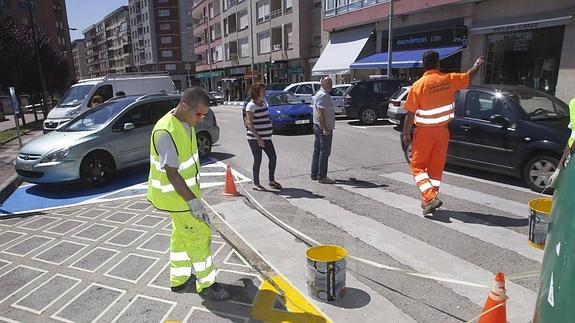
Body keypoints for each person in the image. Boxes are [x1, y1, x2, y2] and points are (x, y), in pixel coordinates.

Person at [147, 87, 230, 301]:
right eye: (199, 114)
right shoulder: (166, 132)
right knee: (199, 237)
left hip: (182, 197)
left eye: (204, 115)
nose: (201, 119)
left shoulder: (185, 122)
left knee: (181, 237)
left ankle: (180, 280)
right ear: (184, 106)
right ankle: (207, 284)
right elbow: (173, 174)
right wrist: (193, 203)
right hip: (179, 199)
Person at [403, 51, 485, 215]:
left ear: (423, 65)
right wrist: (477, 64)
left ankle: (430, 197)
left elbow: (410, 113)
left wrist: (406, 133)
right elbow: (468, 76)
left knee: (417, 166)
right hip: (442, 133)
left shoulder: (418, 85)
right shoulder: (448, 79)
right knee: (435, 169)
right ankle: (428, 200)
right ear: (438, 64)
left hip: (425, 133)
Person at [245, 82, 282, 191]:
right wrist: (258, 138)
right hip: (254, 138)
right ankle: (256, 183)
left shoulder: (263, 102)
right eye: (263, 91)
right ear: (256, 92)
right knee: (258, 159)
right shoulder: (251, 106)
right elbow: (249, 124)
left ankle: (271, 180)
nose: (265, 92)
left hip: (266, 137)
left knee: (273, 157)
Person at [311, 76, 336, 184]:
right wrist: (325, 128)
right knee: (324, 153)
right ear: (322, 84)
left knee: (317, 152)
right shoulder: (323, 95)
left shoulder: (320, 94)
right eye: (328, 83)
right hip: (323, 128)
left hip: (318, 126)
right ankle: (322, 177)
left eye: (331, 82)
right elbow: (320, 113)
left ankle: (314, 174)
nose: (330, 84)